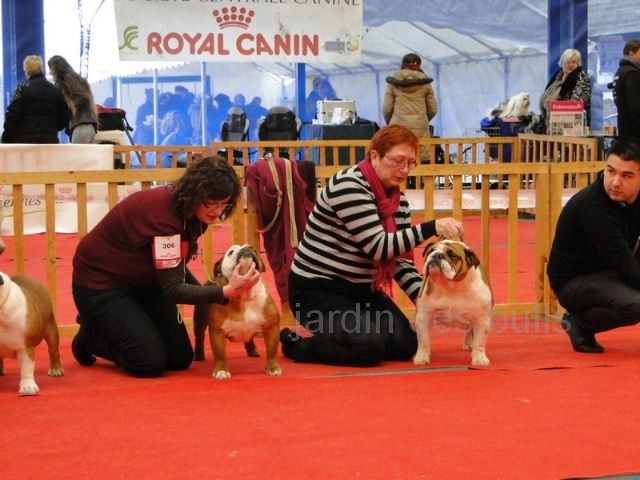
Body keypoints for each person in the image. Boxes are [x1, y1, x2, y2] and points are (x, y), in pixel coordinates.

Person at [279, 125, 465, 367]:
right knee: (367, 348)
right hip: (316, 292)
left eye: (411, 163)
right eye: (398, 161)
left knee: (406, 344)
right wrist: (431, 228)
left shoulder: (398, 201)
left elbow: (398, 260)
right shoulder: (348, 185)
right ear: (375, 156)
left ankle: (344, 334)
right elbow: (379, 247)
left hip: (361, 291)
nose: (405, 169)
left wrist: (428, 298)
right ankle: (298, 346)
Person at [71, 156, 261, 377]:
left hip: (146, 283)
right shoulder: (164, 219)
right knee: (149, 363)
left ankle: (121, 328)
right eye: (211, 203)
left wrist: (215, 292)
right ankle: (91, 336)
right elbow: (173, 289)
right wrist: (223, 292)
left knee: (180, 358)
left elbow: (174, 267)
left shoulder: (192, 211)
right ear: (194, 193)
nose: (217, 211)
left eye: (224, 204)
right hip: (100, 287)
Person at [547, 137, 640, 354]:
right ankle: (579, 323)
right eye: (610, 171)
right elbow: (624, 265)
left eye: (627, 175)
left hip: (609, 271)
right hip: (573, 282)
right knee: (638, 304)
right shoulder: (594, 208)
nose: (615, 182)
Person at [382, 53, 438, 163]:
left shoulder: (393, 83)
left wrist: (392, 124)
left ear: (402, 65)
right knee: (419, 162)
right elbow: (433, 109)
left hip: (398, 129)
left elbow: (387, 109)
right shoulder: (425, 83)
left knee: (398, 161)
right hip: (420, 129)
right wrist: (422, 119)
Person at [1, 55, 69, 144]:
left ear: (26, 70)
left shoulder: (21, 88)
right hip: (50, 142)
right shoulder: (55, 90)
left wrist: (5, 137)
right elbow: (65, 116)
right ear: (42, 69)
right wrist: (52, 129)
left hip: (26, 144)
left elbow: (12, 115)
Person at [47, 55, 98, 144]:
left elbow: (83, 97)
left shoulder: (68, 79)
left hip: (81, 125)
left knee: (78, 157)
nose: (51, 73)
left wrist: (68, 108)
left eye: (51, 69)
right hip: (87, 125)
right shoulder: (76, 78)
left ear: (56, 68)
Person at [539, 48, 592, 134]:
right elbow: (544, 99)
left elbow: (576, 104)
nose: (570, 65)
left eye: (574, 62)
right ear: (562, 64)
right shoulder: (556, 79)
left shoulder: (581, 79)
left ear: (579, 65)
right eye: (567, 62)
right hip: (551, 128)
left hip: (571, 131)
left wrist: (555, 107)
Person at [611, 39, 640, 139]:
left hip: (624, 127)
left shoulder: (620, 72)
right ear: (631, 54)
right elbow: (636, 106)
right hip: (635, 132)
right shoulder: (631, 73)